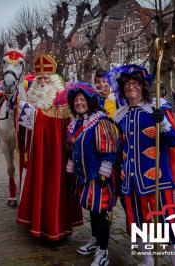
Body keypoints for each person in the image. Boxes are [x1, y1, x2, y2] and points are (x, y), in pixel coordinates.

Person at [113, 64, 175, 266]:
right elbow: (121, 147)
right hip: (131, 180)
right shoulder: (121, 115)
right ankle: (147, 260)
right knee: (137, 224)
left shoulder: (157, 108)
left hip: (157, 180)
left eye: (135, 84)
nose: (131, 87)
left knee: (168, 225)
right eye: (127, 84)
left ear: (143, 87)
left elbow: (174, 141)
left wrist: (163, 123)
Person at [16, 54, 83, 241]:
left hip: (56, 156)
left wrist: (36, 116)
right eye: (40, 78)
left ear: (53, 78)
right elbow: (25, 129)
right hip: (36, 154)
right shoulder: (32, 98)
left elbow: (59, 126)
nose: (43, 81)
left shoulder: (62, 99)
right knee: (36, 184)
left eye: (46, 78)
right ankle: (35, 223)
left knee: (56, 189)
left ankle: (56, 228)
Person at [66, 82, 118, 266]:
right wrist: (71, 166)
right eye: (76, 100)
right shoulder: (75, 124)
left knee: (100, 213)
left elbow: (110, 150)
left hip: (99, 178)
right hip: (84, 176)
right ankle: (96, 240)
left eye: (83, 99)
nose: (79, 103)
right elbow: (73, 149)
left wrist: (104, 173)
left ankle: (103, 251)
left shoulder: (100, 120)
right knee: (93, 212)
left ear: (90, 101)